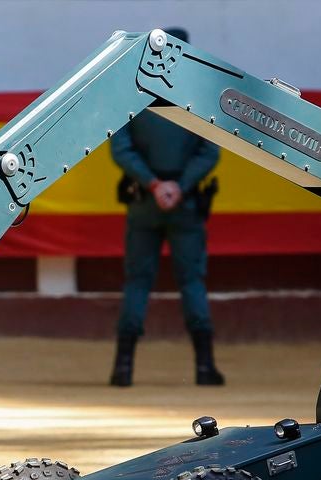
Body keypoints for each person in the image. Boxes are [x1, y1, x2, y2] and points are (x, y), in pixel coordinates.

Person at [108, 29, 223, 387]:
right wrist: (179, 185)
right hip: (185, 202)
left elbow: (120, 148)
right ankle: (204, 367)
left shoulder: (136, 92)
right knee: (191, 281)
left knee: (137, 281)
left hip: (144, 199)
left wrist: (153, 183)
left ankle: (123, 368)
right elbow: (210, 151)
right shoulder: (197, 95)